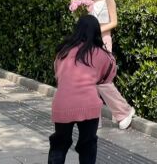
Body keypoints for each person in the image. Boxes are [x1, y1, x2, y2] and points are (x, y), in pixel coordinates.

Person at [48, 15, 116, 164]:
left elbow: (58, 75)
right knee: (88, 145)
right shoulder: (102, 55)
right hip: (89, 105)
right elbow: (109, 75)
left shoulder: (62, 52)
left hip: (62, 103)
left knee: (59, 144)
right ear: (97, 32)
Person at [88, 0, 135, 130]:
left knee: (102, 80)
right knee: (89, 81)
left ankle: (124, 111)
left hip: (103, 41)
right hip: (89, 42)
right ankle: (95, 118)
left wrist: (96, 30)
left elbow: (114, 22)